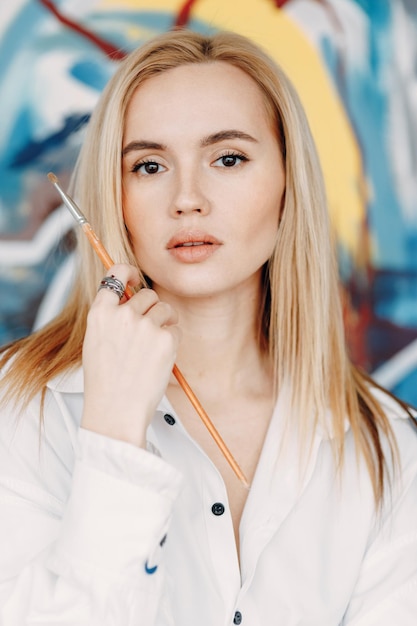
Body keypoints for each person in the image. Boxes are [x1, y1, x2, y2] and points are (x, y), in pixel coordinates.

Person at [0, 29, 416, 626]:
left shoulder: (391, 449)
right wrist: (113, 437)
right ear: (112, 197)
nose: (187, 199)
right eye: (148, 165)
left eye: (228, 159)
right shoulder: (21, 409)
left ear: (287, 184)